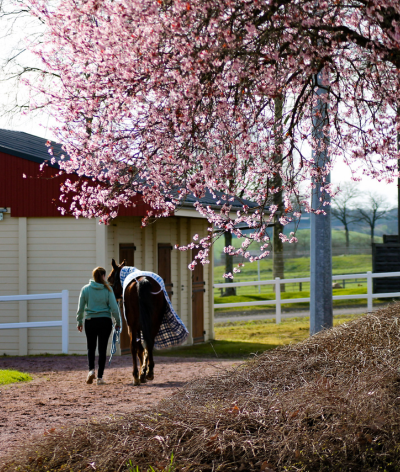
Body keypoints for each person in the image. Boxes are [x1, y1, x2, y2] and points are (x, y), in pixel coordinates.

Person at [77, 267, 121, 385]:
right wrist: (118, 322)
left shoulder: (85, 289)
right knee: (102, 349)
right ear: (103, 276)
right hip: (104, 321)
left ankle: (91, 370)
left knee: (91, 347)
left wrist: (79, 321)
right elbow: (114, 308)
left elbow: (80, 308)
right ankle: (100, 377)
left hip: (90, 321)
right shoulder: (108, 290)